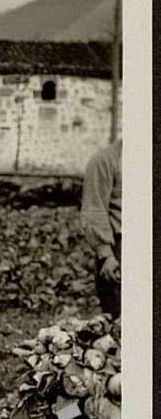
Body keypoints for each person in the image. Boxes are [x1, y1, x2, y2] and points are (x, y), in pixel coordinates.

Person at [81, 137, 122, 319]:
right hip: (119, 249)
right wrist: (106, 254)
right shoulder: (105, 159)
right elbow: (94, 208)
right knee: (122, 323)